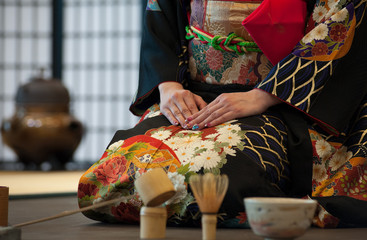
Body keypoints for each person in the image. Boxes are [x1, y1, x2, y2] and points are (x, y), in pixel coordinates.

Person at [78, 0, 367, 228]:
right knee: (109, 176)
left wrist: (262, 96)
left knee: (221, 173)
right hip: (192, 98)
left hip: (275, 103)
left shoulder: (268, 98)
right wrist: (167, 86)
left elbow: (341, 20)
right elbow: (161, 15)